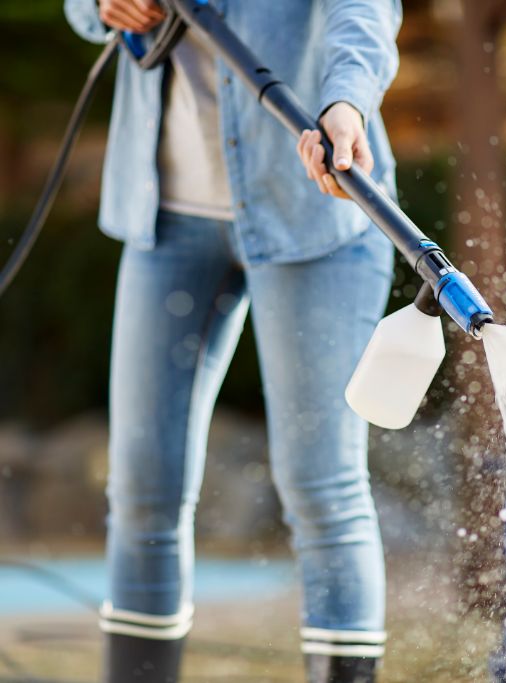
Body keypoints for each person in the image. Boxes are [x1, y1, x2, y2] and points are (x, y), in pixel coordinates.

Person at [63, 1, 402, 681]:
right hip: (165, 220)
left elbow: (363, 9)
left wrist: (346, 102)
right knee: (141, 490)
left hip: (314, 216)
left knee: (322, 489)